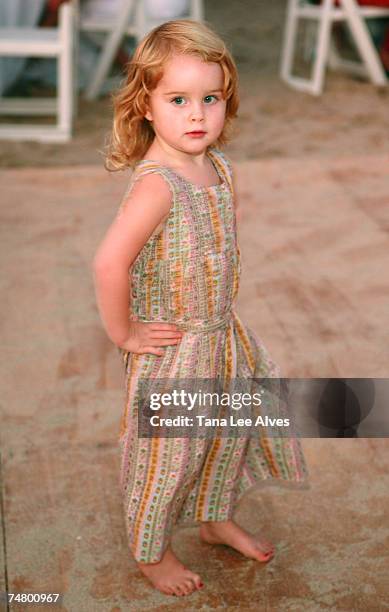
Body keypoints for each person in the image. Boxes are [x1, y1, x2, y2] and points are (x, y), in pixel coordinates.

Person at [93, 19, 309, 598]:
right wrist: (127, 332)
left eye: (209, 99)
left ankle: (214, 519)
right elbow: (110, 263)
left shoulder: (219, 167)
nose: (197, 115)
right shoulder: (157, 184)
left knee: (224, 434)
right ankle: (151, 552)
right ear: (145, 105)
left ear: (226, 101)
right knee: (165, 456)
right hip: (175, 346)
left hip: (220, 334)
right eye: (178, 100)